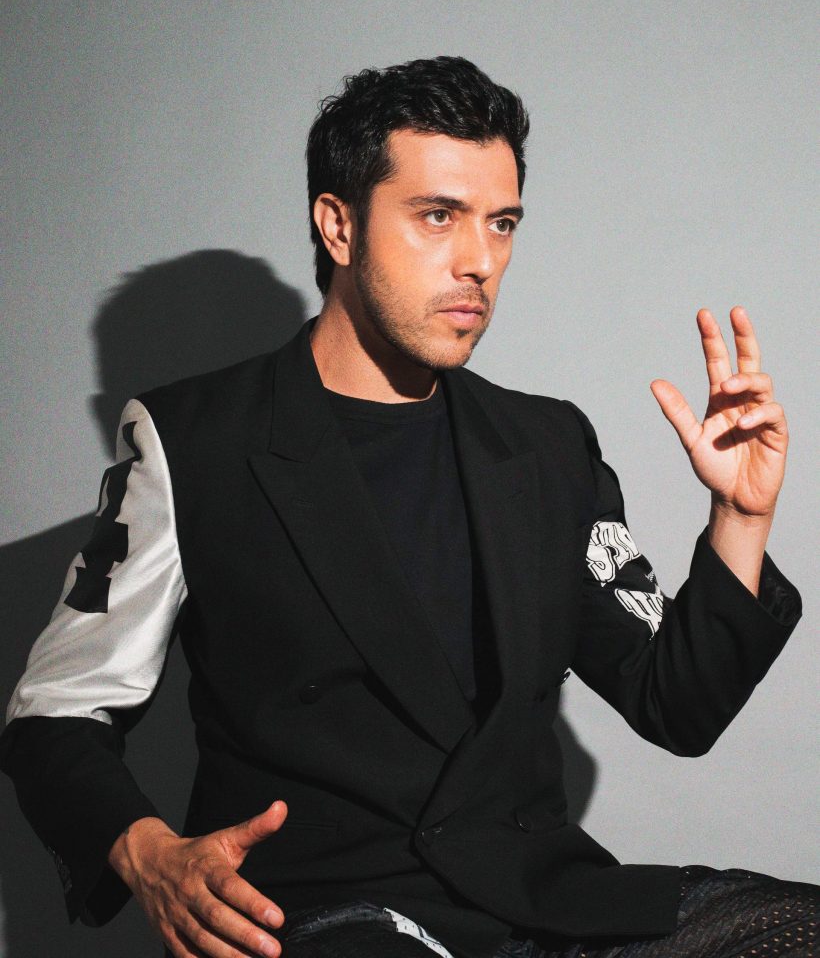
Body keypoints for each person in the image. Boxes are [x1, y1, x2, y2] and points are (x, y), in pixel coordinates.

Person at [1, 56, 815, 958]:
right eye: (438, 216)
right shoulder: (196, 442)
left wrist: (741, 517)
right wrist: (148, 853)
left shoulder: (546, 447)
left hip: (534, 908)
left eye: (501, 223)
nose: (479, 262)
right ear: (338, 225)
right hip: (317, 919)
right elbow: (55, 714)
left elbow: (676, 704)